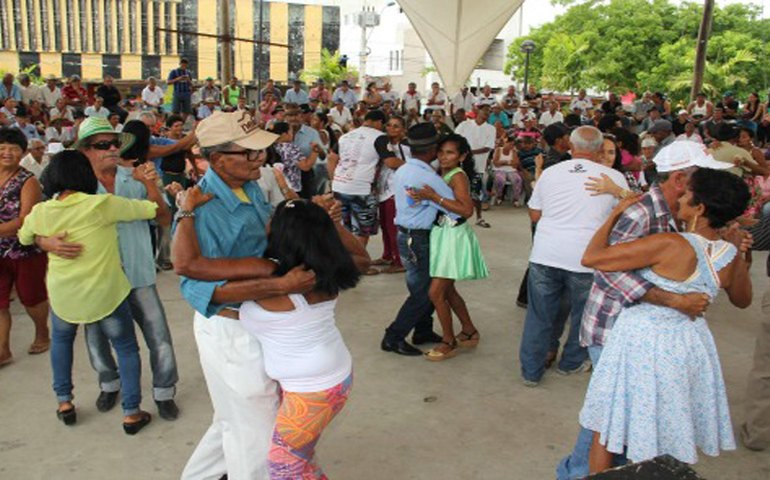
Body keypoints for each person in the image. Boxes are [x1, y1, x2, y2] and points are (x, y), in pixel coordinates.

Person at [556, 141, 733, 480]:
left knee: (620, 417)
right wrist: (671, 299)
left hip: (646, 334)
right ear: (681, 179)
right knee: (606, 419)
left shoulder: (685, 218)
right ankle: (577, 474)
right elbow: (606, 270)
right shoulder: (640, 212)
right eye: (704, 176)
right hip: (614, 327)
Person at [175, 187, 369, 478]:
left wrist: (186, 211)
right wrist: (333, 224)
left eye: (271, 216)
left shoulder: (271, 276)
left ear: (279, 233)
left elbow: (189, 265)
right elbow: (362, 257)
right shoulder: (329, 267)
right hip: (332, 377)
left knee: (283, 467)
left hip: (312, 391)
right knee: (301, 458)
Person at [172, 111, 316, 479]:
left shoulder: (249, 185)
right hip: (230, 331)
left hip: (254, 322)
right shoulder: (202, 208)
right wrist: (276, 282)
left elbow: (263, 236)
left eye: (260, 152)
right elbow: (197, 282)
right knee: (258, 433)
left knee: (233, 418)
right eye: (250, 153)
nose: (260, 159)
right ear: (219, 159)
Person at [46, 118, 179, 421]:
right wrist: (47, 242)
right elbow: (40, 223)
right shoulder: (71, 188)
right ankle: (110, 384)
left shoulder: (134, 179)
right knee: (96, 339)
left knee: (158, 335)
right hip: (96, 279)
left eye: (115, 143)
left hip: (137, 271)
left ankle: (164, 392)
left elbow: (163, 219)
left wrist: (149, 185)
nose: (112, 149)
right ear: (84, 150)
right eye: (102, 144)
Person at [19, 149, 157, 434]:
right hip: (106, 294)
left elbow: (23, 237)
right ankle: (131, 412)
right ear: (86, 175)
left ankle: (64, 402)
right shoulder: (101, 205)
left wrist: (46, 241)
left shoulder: (41, 211)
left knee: (60, 343)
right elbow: (150, 209)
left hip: (64, 296)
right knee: (127, 349)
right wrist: (152, 185)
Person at [520, 126, 629, 387]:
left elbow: (534, 214)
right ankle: (571, 363)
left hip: (546, 254)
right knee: (583, 315)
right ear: (600, 149)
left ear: (571, 145)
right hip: (587, 259)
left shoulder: (550, 174)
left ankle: (531, 371)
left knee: (539, 314)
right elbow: (631, 212)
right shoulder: (613, 179)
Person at [408, 134, 489, 360]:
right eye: (441, 152)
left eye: (450, 152)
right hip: (443, 233)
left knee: (435, 292)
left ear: (462, 156)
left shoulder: (458, 176)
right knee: (448, 290)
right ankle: (469, 330)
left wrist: (433, 197)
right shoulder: (441, 173)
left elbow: (466, 210)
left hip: (454, 235)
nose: (444, 157)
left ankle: (448, 340)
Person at [380, 123, 451, 356]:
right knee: (424, 292)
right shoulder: (426, 177)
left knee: (424, 286)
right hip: (420, 237)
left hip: (407, 234)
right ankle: (394, 336)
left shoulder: (404, 170)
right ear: (432, 150)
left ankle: (423, 329)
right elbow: (457, 209)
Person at [0, 128, 49, 367]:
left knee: (31, 297)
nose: (7, 153)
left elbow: (25, 219)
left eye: (13, 149)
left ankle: (42, 332)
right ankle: (3, 349)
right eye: (2, 148)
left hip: (24, 249)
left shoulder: (28, 180)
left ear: (22, 153)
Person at [331, 110, 386, 251]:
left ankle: (346, 261)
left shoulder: (346, 136)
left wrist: (334, 178)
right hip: (361, 189)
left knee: (345, 228)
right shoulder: (379, 137)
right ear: (379, 122)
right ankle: (359, 264)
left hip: (339, 186)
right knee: (362, 229)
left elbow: (331, 158)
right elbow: (390, 162)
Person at [372, 115, 408, 274]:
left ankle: (399, 260)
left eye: (396, 126)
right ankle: (387, 254)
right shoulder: (383, 146)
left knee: (394, 226)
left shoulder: (405, 146)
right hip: (383, 188)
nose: (391, 129)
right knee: (385, 225)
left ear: (403, 130)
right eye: (389, 125)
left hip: (396, 189)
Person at [455, 104, 496, 228]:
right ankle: (456, 216)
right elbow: (455, 139)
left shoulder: (490, 128)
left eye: (489, 112)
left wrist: (469, 152)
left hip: (478, 165)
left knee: (475, 193)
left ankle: (479, 218)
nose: (487, 113)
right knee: (456, 191)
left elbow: (488, 147)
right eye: (485, 110)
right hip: (460, 164)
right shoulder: (464, 125)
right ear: (477, 111)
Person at [491, 134, 523, 206]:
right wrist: (508, 162)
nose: (511, 146)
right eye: (509, 144)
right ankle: (499, 197)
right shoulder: (498, 150)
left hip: (511, 170)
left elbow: (515, 164)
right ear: (505, 143)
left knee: (518, 179)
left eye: (512, 145)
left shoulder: (514, 151)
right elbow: (496, 163)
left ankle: (516, 199)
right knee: (500, 179)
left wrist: (502, 162)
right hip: (498, 170)